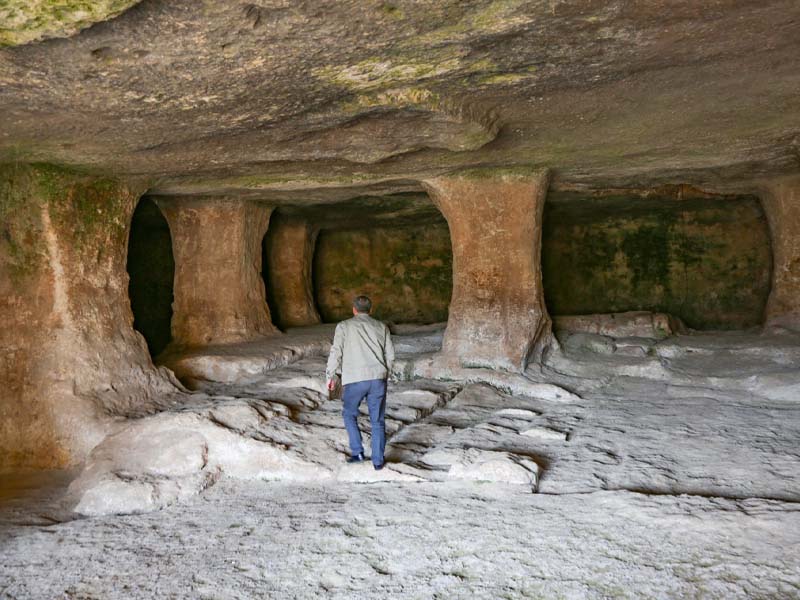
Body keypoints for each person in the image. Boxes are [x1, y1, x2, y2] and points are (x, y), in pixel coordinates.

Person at [326, 295, 395, 470]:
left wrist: (331, 375)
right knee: (377, 420)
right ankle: (378, 461)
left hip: (355, 379)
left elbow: (336, 352)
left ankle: (357, 452)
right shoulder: (381, 326)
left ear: (354, 309)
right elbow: (390, 355)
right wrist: (385, 374)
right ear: (370, 310)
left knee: (349, 414)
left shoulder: (344, 326)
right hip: (378, 378)